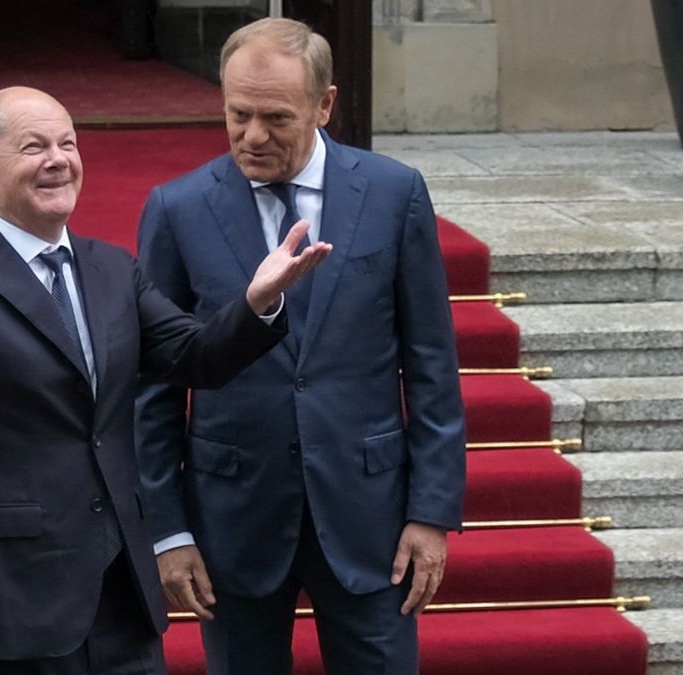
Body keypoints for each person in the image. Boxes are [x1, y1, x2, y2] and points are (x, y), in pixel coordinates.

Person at [0, 86, 331, 675]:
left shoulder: (112, 269)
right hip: (11, 599)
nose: (58, 159)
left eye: (68, 144)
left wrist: (257, 304)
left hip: (120, 589)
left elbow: (198, 357)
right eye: (34, 146)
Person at [134, 18, 466, 674]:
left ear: (324, 104)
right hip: (234, 517)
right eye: (237, 114)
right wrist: (167, 530)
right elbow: (155, 384)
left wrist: (432, 511)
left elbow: (431, 363)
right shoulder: (178, 209)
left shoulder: (394, 194)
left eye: (275, 117)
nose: (252, 136)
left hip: (369, 517)